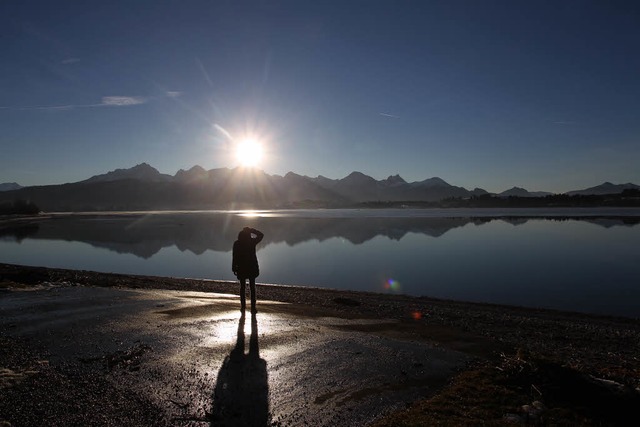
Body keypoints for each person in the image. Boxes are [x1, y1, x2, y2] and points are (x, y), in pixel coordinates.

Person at [232, 227, 264, 312]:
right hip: (251, 267)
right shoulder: (251, 242)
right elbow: (261, 235)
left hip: (241, 267)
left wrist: (234, 267)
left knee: (242, 287)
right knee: (252, 287)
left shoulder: (237, 243)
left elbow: (234, 256)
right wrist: (252, 230)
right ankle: (253, 308)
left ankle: (243, 307)